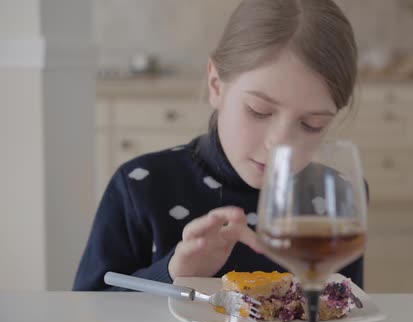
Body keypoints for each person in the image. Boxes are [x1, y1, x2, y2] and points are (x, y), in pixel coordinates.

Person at [73, 0, 363, 291]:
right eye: (259, 110)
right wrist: (173, 273)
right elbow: (89, 311)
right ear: (215, 84)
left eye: (312, 124)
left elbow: (346, 308)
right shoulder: (141, 187)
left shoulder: (336, 199)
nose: (279, 143)